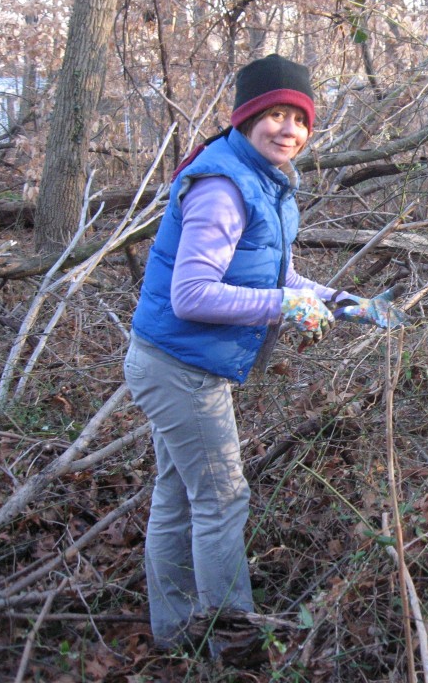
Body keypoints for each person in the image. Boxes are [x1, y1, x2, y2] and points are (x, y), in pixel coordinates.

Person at [124, 53, 398, 654]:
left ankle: (174, 631)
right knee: (222, 498)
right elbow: (192, 293)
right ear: (247, 119)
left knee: (178, 495)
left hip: (178, 361)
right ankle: (231, 642)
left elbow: (276, 271)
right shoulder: (224, 187)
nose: (287, 130)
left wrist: (345, 301)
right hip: (180, 370)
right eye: (273, 115)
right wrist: (281, 306)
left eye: (298, 119)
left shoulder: (259, 179)